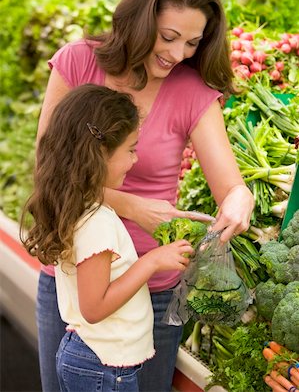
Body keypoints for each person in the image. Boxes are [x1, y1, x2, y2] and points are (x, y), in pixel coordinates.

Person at [35, 0, 255, 392]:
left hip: (150, 294)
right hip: (71, 282)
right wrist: (132, 206)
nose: (178, 55)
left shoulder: (192, 91)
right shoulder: (80, 62)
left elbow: (230, 186)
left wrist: (239, 200)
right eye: (169, 37)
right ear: (140, 20)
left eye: (193, 43)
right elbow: (48, 171)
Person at [21, 84, 194, 392]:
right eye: (130, 149)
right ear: (99, 153)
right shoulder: (95, 221)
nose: (135, 159)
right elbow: (95, 307)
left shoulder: (79, 205)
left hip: (94, 361)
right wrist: (153, 261)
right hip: (102, 367)